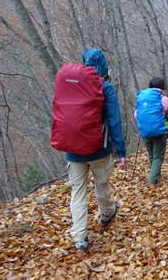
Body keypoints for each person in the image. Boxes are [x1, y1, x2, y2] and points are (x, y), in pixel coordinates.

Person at [51, 48, 127, 251]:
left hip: (73, 150)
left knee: (78, 192)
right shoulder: (105, 86)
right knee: (101, 185)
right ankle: (107, 214)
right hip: (98, 149)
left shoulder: (70, 85)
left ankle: (80, 237)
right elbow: (113, 120)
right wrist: (120, 151)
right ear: (104, 64)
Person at [135, 77, 168, 188]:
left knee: (152, 155)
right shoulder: (163, 99)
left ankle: (156, 176)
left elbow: (136, 114)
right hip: (159, 130)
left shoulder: (142, 98)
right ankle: (152, 180)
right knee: (158, 156)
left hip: (145, 130)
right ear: (162, 88)